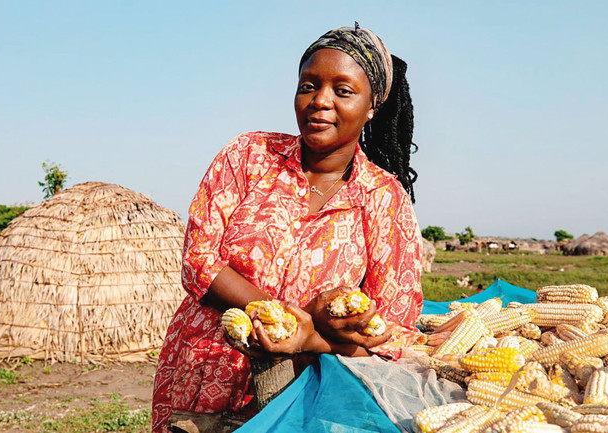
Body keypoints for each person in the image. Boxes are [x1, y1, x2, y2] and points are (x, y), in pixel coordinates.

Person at [152, 23, 424, 432]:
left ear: (372, 106)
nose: (320, 101)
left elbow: (393, 331)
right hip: (204, 374)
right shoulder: (248, 156)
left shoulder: (384, 199)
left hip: (304, 399)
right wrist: (282, 316)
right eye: (308, 86)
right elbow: (198, 260)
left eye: (342, 90)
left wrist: (309, 336)